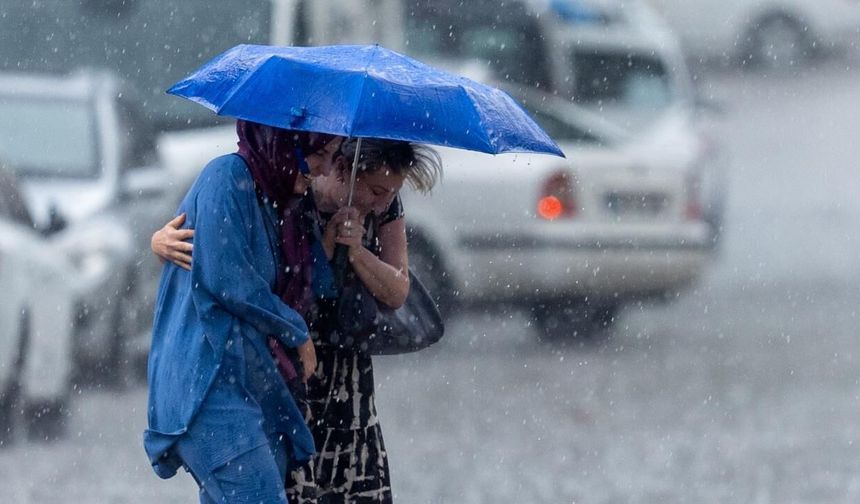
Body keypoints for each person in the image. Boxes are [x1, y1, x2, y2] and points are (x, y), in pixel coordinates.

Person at [152, 138, 442, 503]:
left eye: (391, 193)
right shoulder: (290, 187)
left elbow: (397, 291)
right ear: (342, 170)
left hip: (344, 370)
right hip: (287, 366)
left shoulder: (382, 208)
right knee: (282, 489)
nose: (381, 201)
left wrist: (357, 252)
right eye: (376, 190)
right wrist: (159, 242)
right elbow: (228, 258)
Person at [144, 119, 344, 504]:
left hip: (252, 386)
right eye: (318, 155)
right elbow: (228, 278)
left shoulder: (280, 202)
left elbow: (308, 282)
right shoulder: (226, 178)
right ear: (286, 145)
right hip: (208, 387)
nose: (324, 168)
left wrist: (336, 239)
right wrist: (295, 331)